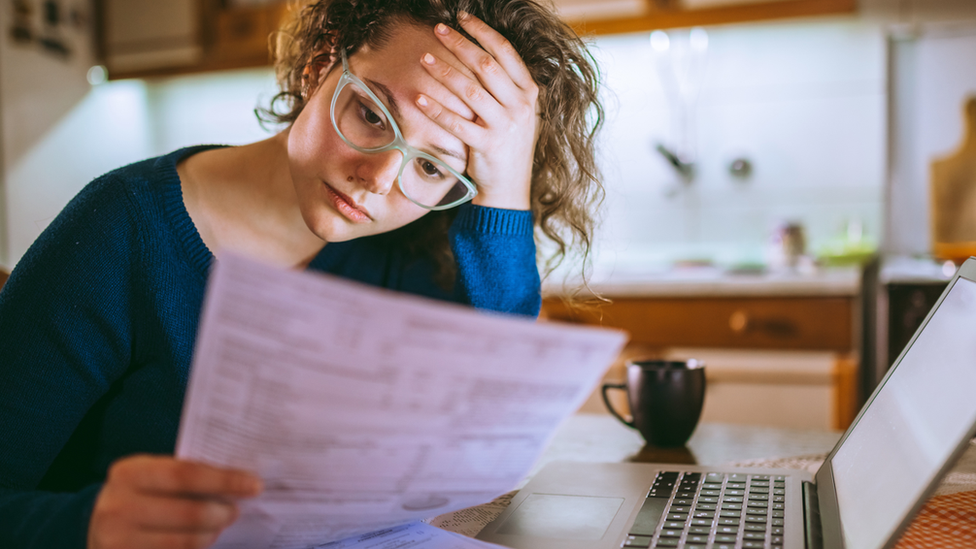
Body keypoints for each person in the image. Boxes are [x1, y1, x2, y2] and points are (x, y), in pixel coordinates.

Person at [0, 0, 603, 547]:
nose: (378, 179)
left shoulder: (415, 252)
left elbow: (494, 419)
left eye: (431, 169)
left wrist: (503, 194)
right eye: (370, 114)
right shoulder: (121, 228)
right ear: (321, 64)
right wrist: (88, 525)